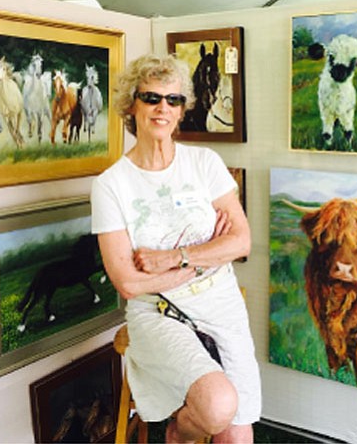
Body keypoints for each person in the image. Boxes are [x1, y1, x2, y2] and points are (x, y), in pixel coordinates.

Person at [91, 53, 261, 443]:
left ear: (183, 108)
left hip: (219, 303)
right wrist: (205, 258)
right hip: (159, 311)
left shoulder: (205, 163)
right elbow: (129, 284)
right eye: (151, 98)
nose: (162, 108)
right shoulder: (111, 185)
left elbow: (241, 240)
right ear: (131, 106)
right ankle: (178, 431)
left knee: (237, 437)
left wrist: (173, 259)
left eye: (173, 99)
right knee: (217, 406)